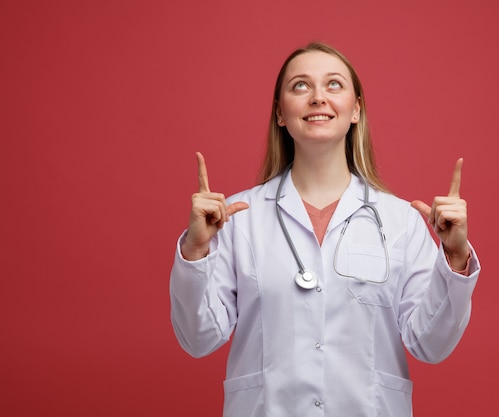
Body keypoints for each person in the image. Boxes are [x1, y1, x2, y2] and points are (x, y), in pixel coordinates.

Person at [170, 42, 480, 416]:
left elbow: (431, 344)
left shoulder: (401, 222)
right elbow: (198, 338)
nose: (318, 97)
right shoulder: (238, 218)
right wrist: (195, 252)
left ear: (356, 110)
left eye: (334, 85)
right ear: (281, 114)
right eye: (300, 86)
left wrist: (456, 258)